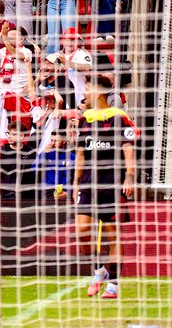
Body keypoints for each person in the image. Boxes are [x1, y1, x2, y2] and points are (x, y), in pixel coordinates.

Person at [74, 74, 136, 301]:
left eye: (87, 89)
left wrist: (129, 176)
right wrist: (76, 183)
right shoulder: (85, 119)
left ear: (97, 92)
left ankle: (113, 284)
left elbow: (128, 148)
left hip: (112, 181)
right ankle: (99, 270)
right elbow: (81, 153)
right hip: (89, 183)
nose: (83, 93)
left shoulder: (119, 117)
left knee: (112, 236)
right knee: (82, 232)